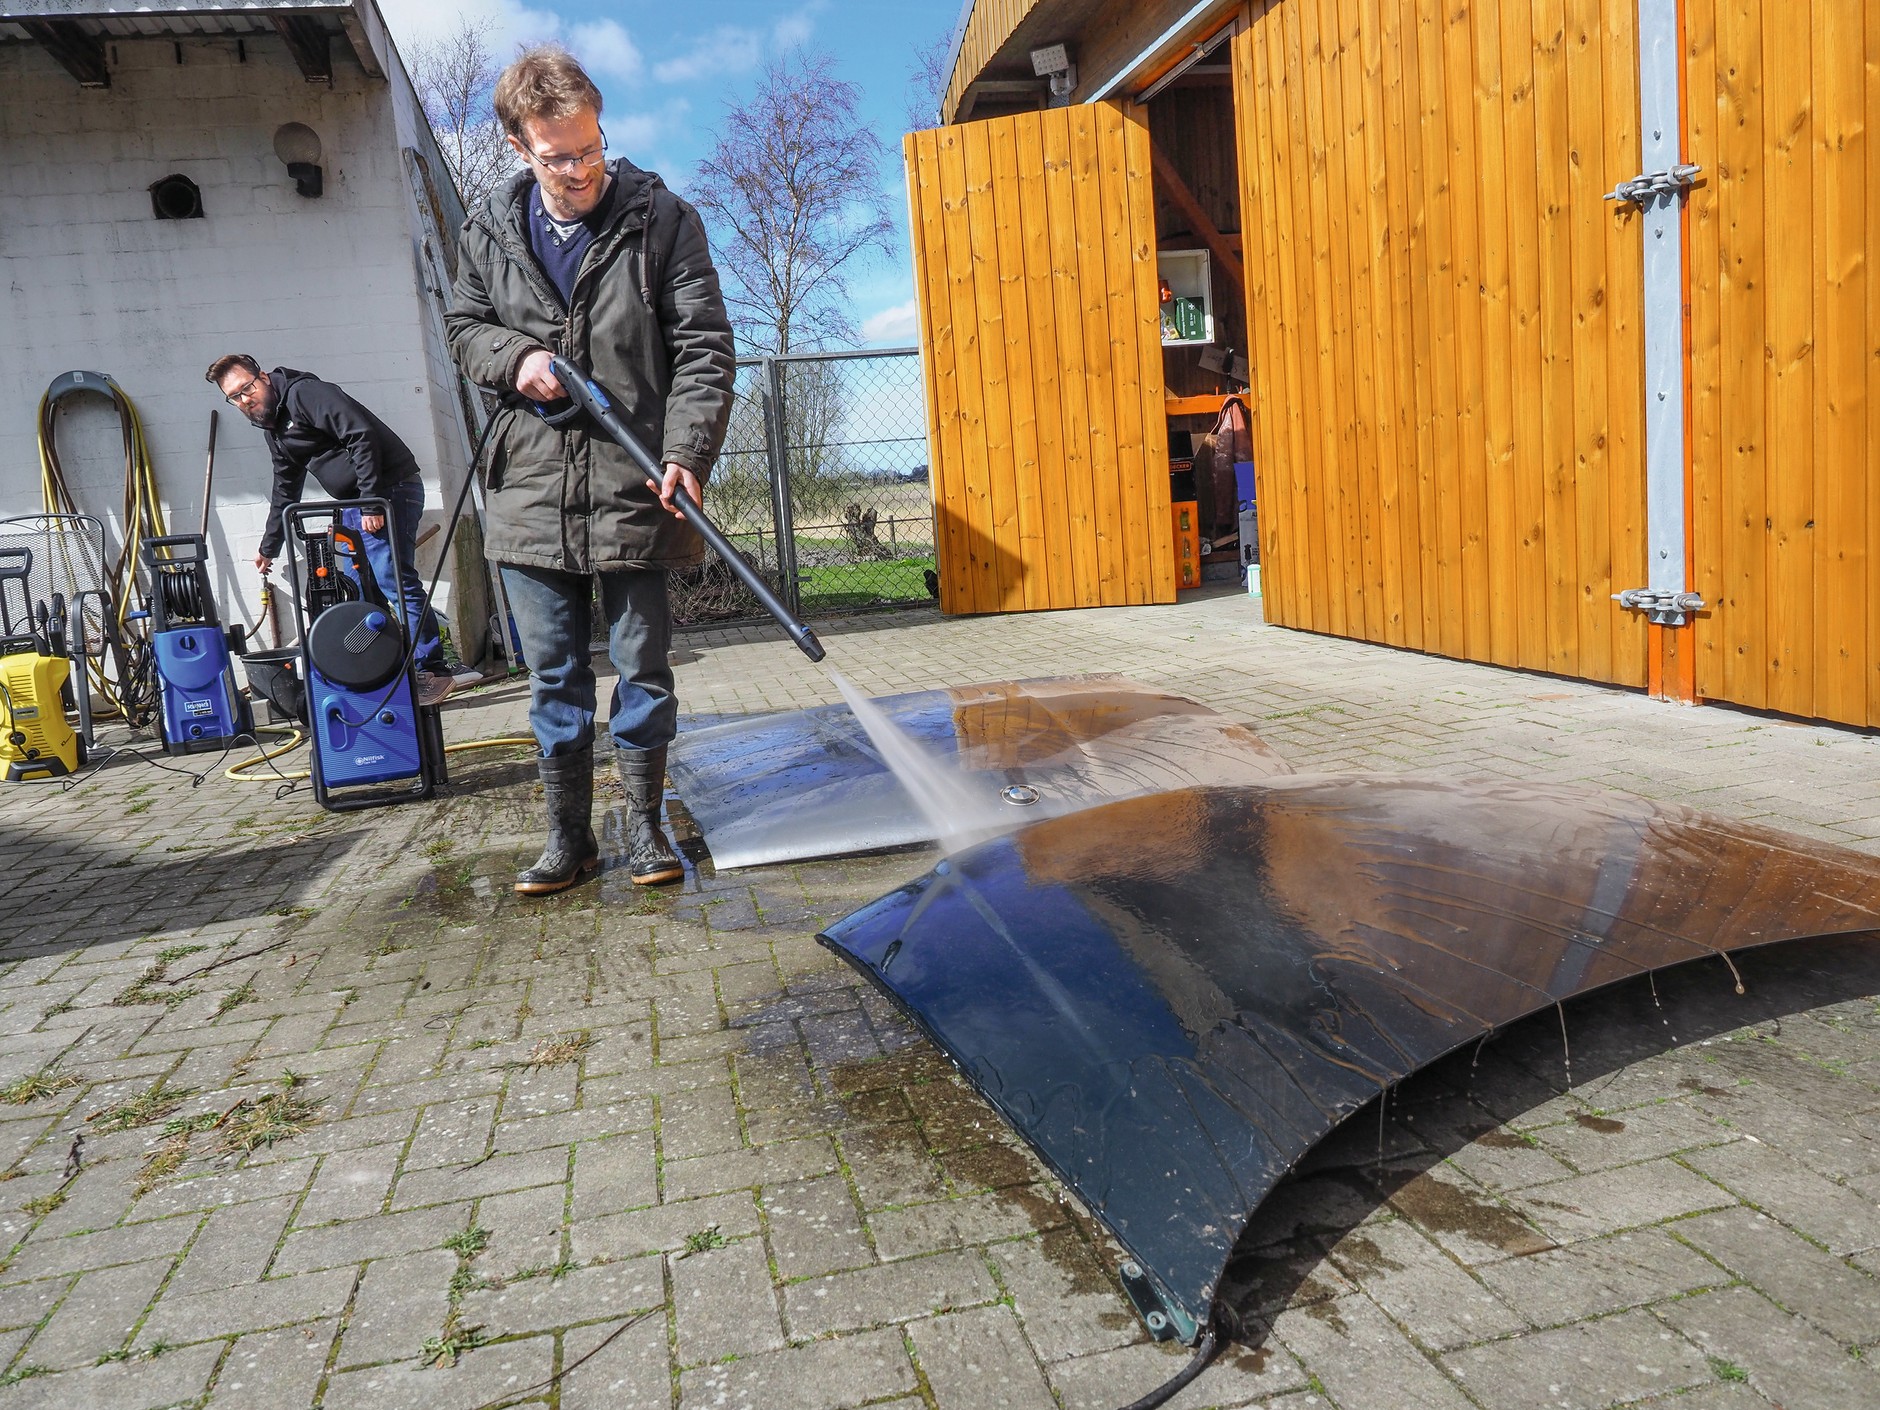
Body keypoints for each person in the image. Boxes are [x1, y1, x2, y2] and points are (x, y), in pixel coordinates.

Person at [444, 45, 735, 895]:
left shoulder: (662, 220)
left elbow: (706, 348)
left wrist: (686, 453)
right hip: (531, 489)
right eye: (557, 156)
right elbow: (464, 330)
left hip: (637, 484)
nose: (579, 170)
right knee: (554, 676)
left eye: (591, 147)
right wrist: (516, 357)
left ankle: (646, 828)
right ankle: (568, 840)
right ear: (516, 147)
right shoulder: (487, 231)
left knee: (643, 669)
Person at [205, 355, 452, 701]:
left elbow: (360, 435)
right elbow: (285, 488)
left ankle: (432, 670)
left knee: (392, 578)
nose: (245, 399)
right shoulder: (274, 426)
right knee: (364, 588)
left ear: (263, 377)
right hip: (355, 502)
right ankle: (384, 671)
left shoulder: (306, 394)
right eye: (235, 396)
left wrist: (369, 502)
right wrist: (269, 546)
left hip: (388, 490)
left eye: (247, 388)